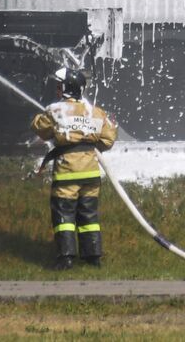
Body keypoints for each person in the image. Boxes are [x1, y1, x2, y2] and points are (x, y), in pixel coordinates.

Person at [31, 66, 118, 270]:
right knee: (89, 215)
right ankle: (93, 257)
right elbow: (108, 140)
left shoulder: (56, 110)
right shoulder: (95, 112)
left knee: (64, 215)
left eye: (59, 86)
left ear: (66, 88)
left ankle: (66, 258)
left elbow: (39, 128)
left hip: (67, 172)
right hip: (91, 173)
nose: (57, 91)